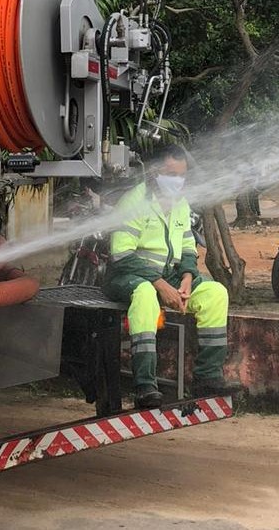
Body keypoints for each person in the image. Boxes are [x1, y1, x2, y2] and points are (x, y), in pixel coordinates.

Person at [104, 144, 230, 409]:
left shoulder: (180, 205)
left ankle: (208, 377)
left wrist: (186, 277)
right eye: (172, 174)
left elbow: (187, 247)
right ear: (154, 172)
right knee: (145, 294)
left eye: (182, 176)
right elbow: (121, 255)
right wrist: (160, 285)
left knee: (215, 293)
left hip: (169, 277)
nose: (178, 182)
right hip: (127, 277)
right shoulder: (133, 202)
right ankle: (145, 386)